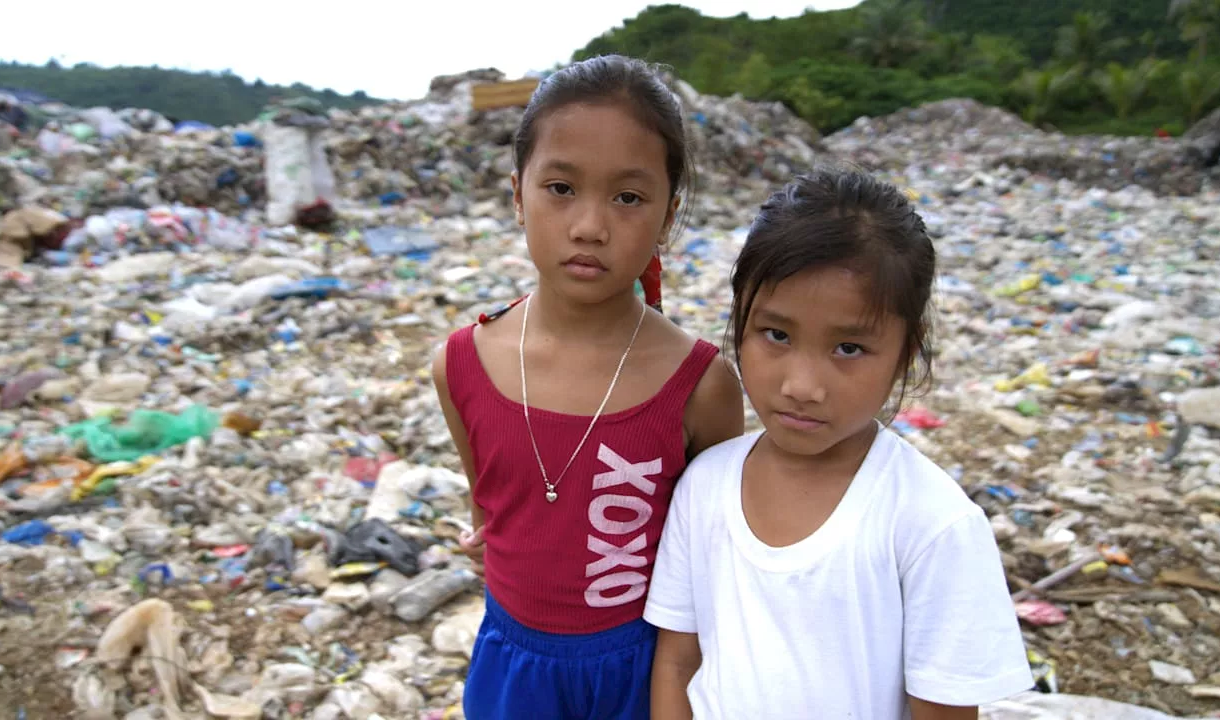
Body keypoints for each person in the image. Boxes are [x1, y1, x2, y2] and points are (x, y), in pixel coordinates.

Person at [645, 167, 1034, 720]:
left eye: (849, 348)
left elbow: (943, 709)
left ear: (905, 354)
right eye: (775, 335)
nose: (802, 386)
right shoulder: (705, 485)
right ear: (738, 323)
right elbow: (679, 663)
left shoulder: (932, 524)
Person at [432, 54, 745, 720]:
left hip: (648, 675)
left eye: (628, 197)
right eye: (561, 188)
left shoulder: (699, 385)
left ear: (667, 215)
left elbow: (713, 558)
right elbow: (486, 513)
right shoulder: (462, 365)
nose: (590, 226)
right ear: (518, 195)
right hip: (513, 676)